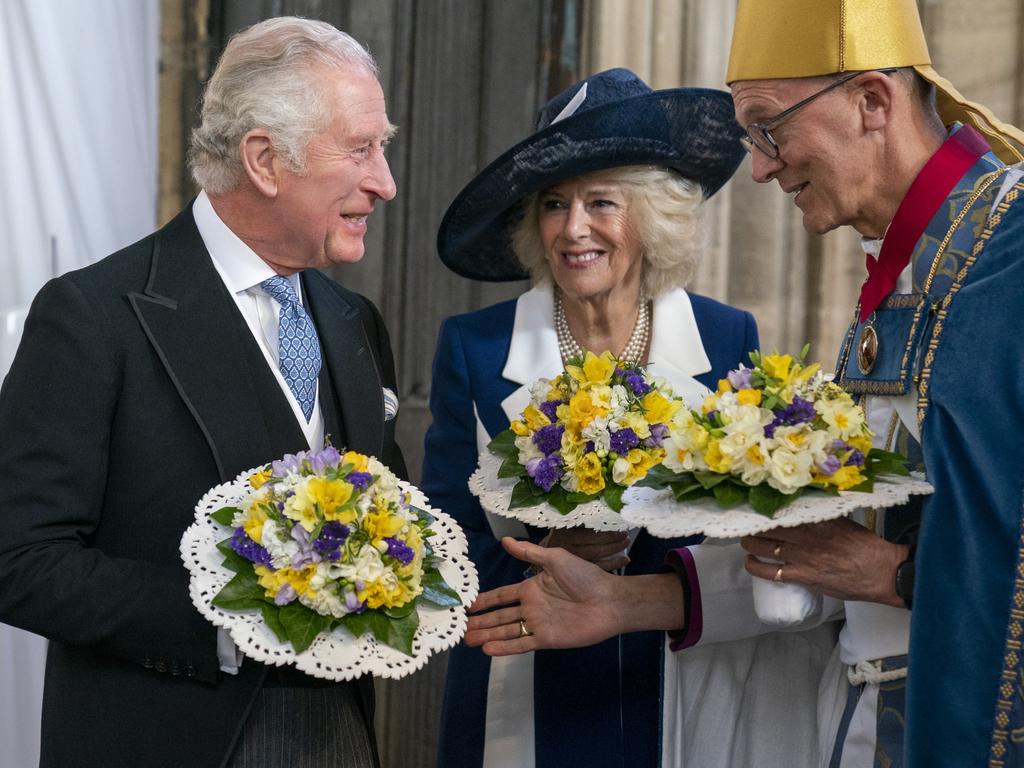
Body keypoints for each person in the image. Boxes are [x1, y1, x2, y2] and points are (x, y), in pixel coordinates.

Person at [470, 1, 1024, 766]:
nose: (760, 165)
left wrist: (899, 575)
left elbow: (883, 564)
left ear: (871, 102)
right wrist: (625, 601)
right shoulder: (898, 277)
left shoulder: (1011, 257)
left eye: (769, 126)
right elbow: (833, 556)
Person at [0, 17, 401, 768]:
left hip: (339, 737)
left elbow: (392, 514)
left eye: (382, 148)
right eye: (360, 149)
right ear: (264, 160)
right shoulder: (94, 317)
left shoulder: (355, 323)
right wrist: (232, 622)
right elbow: (17, 557)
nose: (384, 181)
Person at [425, 68, 836, 768]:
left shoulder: (727, 337)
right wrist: (541, 553)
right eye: (553, 204)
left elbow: (750, 521)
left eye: (601, 202)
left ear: (653, 216)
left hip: (678, 678)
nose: (573, 229)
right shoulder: (478, 347)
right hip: (521, 680)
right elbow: (441, 529)